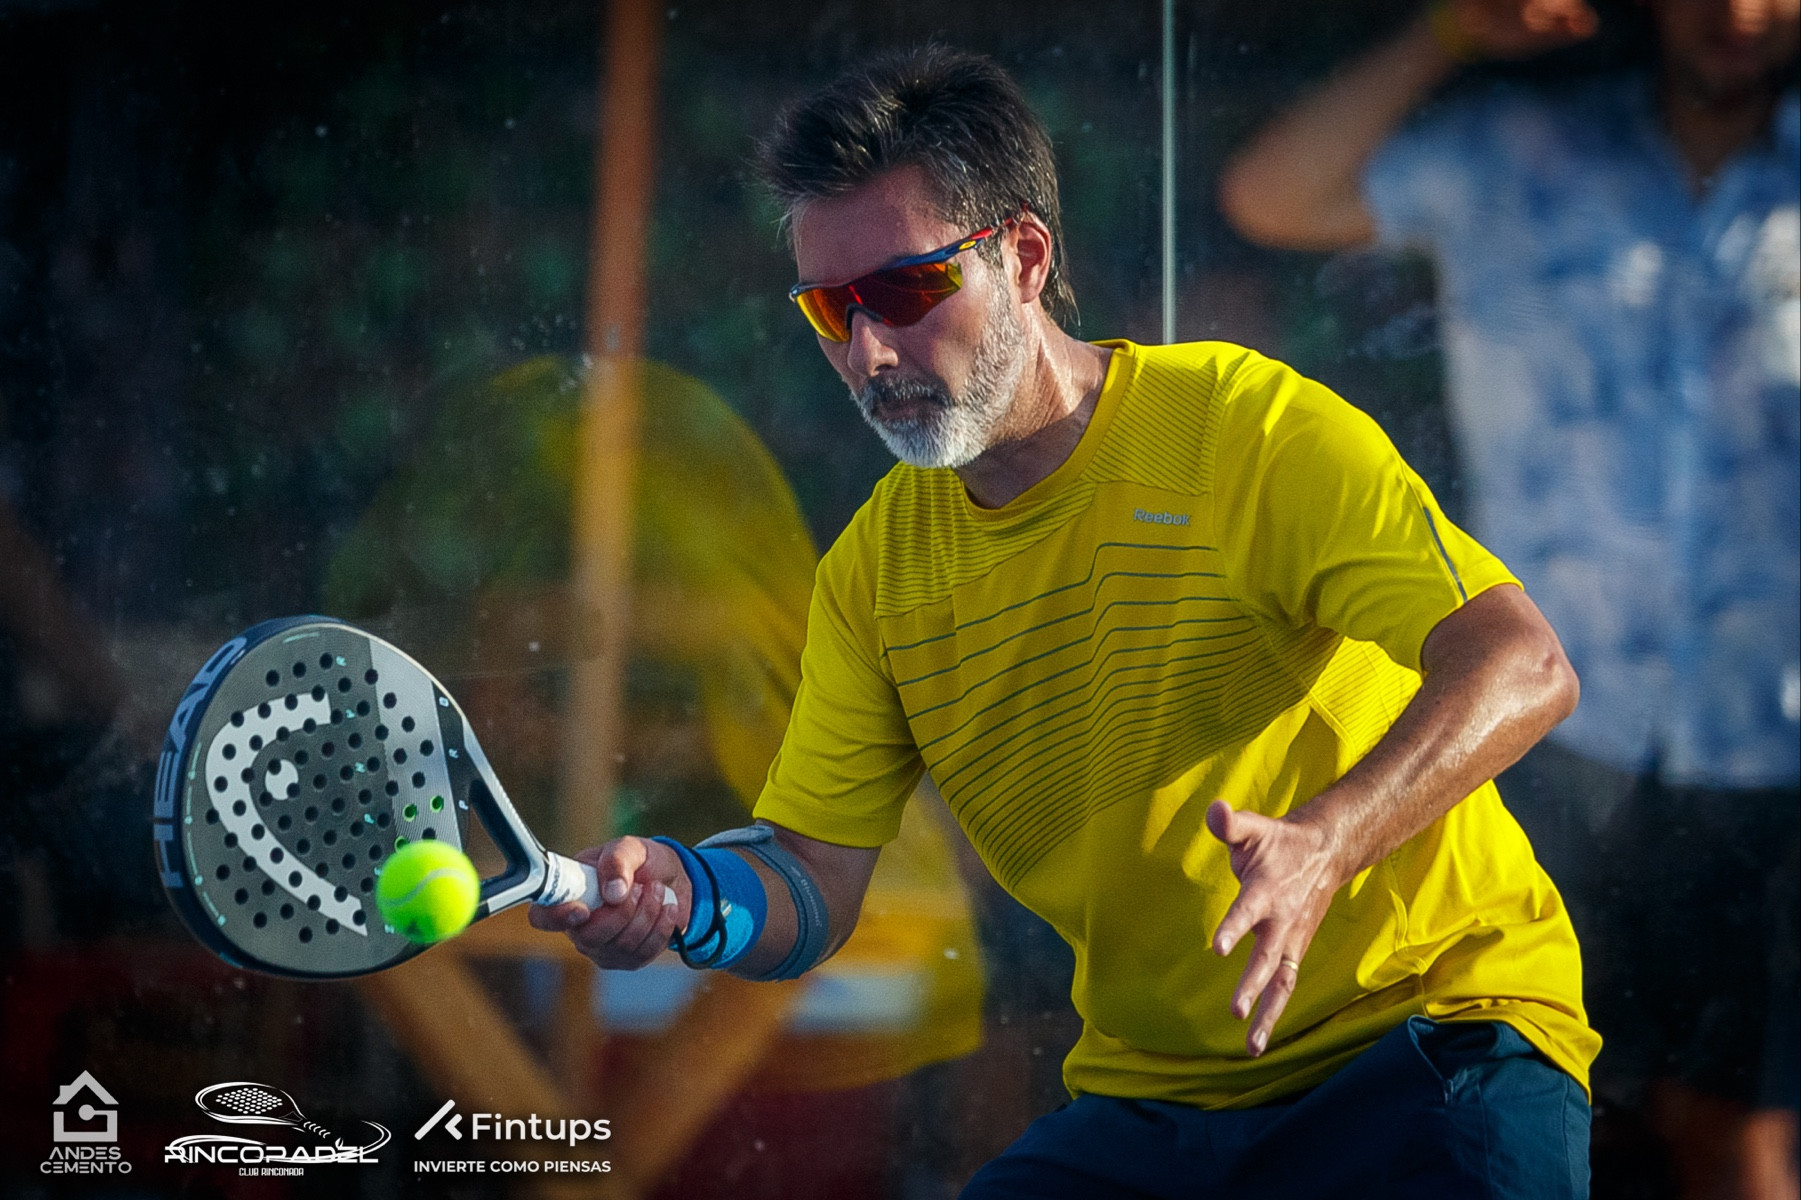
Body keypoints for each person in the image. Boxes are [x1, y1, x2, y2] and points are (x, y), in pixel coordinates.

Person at [535, 45, 1599, 1197]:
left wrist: (1329, 840)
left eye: (904, 291)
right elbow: (809, 880)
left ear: (1026, 258)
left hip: (1434, 1036)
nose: (867, 350)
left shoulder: (1245, 427)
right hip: (1156, 1106)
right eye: (830, 309)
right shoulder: (873, 577)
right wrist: (686, 896)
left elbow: (1522, 662)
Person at [1218, 2, 1799, 1195]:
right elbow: (1272, 197)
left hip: (1768, 747)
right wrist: (1447, 31)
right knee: (1512, 1115)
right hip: (1535, 728)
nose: (1737, 11)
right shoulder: (1520, 152)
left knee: (1732, 1136)